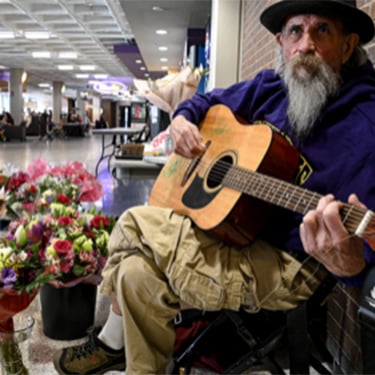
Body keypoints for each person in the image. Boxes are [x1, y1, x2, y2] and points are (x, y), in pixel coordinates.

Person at [53, 0, 375, 374]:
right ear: (280, 41)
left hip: (287, 264)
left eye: (322, 30)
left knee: (132, 223)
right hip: (236, 232)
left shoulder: (365, 124)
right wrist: (181, 120)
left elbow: (359, 258)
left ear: (348, 46)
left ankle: (111, 344)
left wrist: (351, 263)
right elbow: (206, 102)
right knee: (134, 274)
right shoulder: (271, 86)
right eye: (295, 31)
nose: (306, 45)